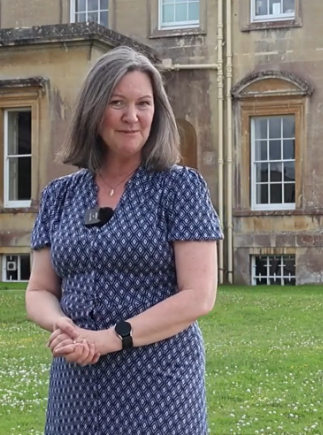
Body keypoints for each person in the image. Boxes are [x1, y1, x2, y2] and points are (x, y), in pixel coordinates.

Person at [25, 45, 223, 435]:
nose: (132, 117)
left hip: (159, 385)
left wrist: (109, 339)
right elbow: (39, 290)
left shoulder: (179, 188)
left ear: (157, 111)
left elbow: (199, 295)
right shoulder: (59, 195)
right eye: (117, 102)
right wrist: (64, 328)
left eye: (143, 103)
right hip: (76, 384)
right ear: (94, 110)